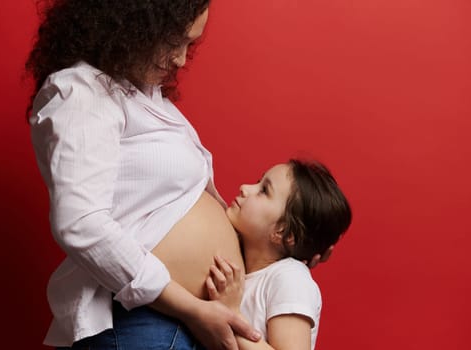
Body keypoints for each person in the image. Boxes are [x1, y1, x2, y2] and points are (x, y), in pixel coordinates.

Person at [25, 1, 330, 349]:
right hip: (140, 321)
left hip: (182, 323)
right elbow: (81, 223)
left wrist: (294, 243)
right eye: (175, 41)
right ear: (135, 23)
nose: (181, 60)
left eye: (190, 45)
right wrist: (192, 308)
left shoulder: (147, 96)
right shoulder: (81, 90)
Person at [205, 159, 352, 350]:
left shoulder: (290, 277)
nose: (245, 188)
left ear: (283, 232)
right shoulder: (245, 267)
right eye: (258, 182)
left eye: (264, 190)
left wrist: (230, 313)